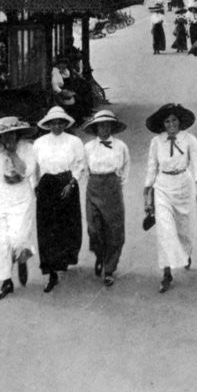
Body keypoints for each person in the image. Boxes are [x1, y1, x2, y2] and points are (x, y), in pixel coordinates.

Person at [143, 103, 197, 293]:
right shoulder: (156, 142)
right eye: (167, 121)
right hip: (163, 187)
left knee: (184, 229)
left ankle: (185, 253)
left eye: (174, 120)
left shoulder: (189, 140)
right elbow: (152, 166)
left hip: (184, 186)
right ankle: (167, 272)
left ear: (180, 122)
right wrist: (147, 190)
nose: (171, 124)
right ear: (163, 124)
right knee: (165, 230)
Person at [0, 116, 37, 301]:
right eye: (4, 136)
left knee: (19, 237)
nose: (8, 139)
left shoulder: (27, 148)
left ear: (17, 133)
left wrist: (12, 153)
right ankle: (6, 282)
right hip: (0, 196)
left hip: (21, 196)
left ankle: (21, 256)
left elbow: (25, 171)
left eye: (11, 135)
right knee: (0, 241)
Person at [32, 106, 86, 293]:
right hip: (47, 185)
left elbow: (79, 164)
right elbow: (35, 168)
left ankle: (64, 259)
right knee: (47, 228)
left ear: (65, 123)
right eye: (52, 123)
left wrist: (71, 183)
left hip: (67, 183)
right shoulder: (39, 143)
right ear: (47, 124)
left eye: (60, 122)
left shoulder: (74, 141)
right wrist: (35, 186)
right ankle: (51, 272)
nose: (56, 126)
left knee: (68, 225)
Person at [82, 110, 130, 287]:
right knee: (94, 227)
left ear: (112, 127)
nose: (104, 128)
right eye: (101, 125)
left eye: (107, 124)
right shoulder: (87, 148)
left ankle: (109, 268)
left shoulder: (121, 146)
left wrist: (117, 185)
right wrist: (95, 182)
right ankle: (100, 255)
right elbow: (84, 168)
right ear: (95, 128)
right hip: (94, 186)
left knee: (114, 229)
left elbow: (126, 167)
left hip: (113, 187)